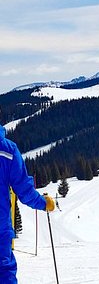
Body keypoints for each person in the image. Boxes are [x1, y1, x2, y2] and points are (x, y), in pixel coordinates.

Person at [0, 120, 55, 283]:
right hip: (0, 230)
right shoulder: (7, 150)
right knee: (4, 272)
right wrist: (43, 203)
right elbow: (24, 190)